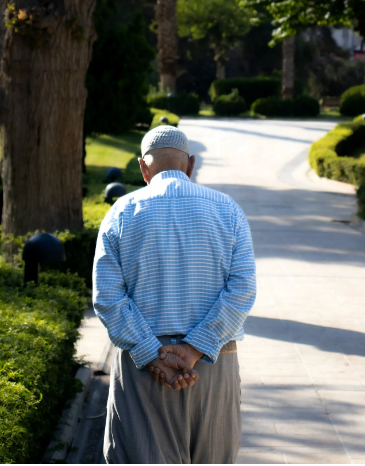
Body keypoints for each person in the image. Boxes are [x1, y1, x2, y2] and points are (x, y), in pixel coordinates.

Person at [93, 125, 256, 464]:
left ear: (143, 168)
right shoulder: (228, 210)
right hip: (213, 364)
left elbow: (107, 296)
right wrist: (194, 349)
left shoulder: (120, 213)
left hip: (145, 371)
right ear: (190, 165)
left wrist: (153, 354)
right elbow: (243, 289)